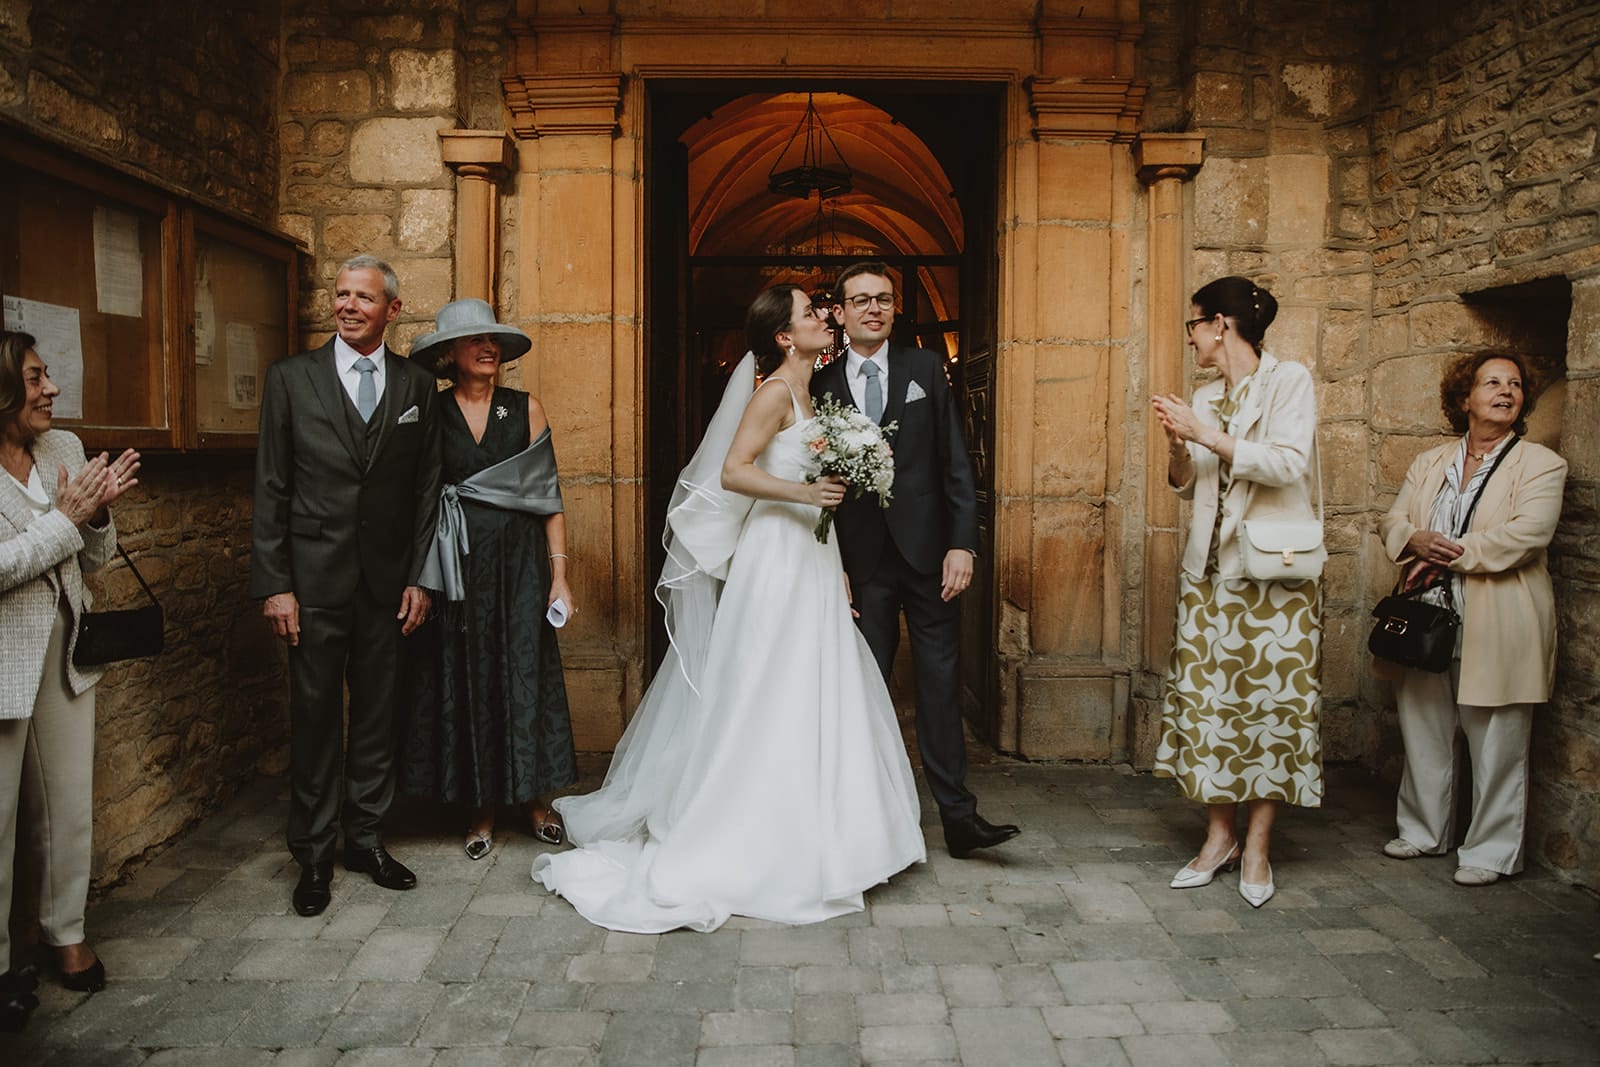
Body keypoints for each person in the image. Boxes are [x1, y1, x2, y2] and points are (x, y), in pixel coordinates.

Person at [533, 284, 925, 932]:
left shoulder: (809, 393)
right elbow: (734, 472)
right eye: (809, 313)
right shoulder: (771, 393)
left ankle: (819, 828)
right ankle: (748, 829)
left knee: (813, 685)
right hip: (775, 558)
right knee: (767, 688)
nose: (823, 317)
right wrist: (806, 491)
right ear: (782, 337)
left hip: (811, 558)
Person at [250, 255, 442, 917]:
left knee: (379, 717)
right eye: (341, 294)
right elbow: (272, 486)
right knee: (314, 716)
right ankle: (312, 853)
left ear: (392, 308)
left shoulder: (417, 386)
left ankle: (364, 837)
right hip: (313, 581)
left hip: (389, 584)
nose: (348, 305)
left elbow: (426, 491)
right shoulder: (290, 379)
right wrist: (276, 583)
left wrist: (421, 575)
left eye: (364, 296)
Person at [811, 261, 1018, 858]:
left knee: (939, 687)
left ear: (895, 308)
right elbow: (815, 482)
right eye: (860, 300)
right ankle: (865, 818)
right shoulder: (820, 388)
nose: (873, 308)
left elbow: (955, 460)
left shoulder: (927, 367)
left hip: (931, 558)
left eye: (882, 299)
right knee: (863, 692)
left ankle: (958, 817)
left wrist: (963, 542)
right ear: (842, 313)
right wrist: (833, 564)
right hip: (862, 565)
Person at [1150, 276, 1322, 908]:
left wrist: (1204, 434)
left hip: (1274, 575)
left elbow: (1285, 463)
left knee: (1273, 710)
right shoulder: (1204, 395)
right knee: (1212, 709)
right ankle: (1218, 835)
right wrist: (1178, 445)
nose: (1191, 336)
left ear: (1221, 324)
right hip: (1210, 577)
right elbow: (1185, 482)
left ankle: (1258, 847)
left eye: (1194, 324)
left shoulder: (1288, 381)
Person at [1375, 352, 1566, 887]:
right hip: (1428, 617)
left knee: (1497, 740)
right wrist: (1410, 538)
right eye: (1492, 382)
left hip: (1500, 622)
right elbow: (1394, 518)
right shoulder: (1430, 462)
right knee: (1424, 727)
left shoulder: (1542, 465)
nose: (1506, 391)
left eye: (1515, 385)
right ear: (1465, 399)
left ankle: (1490, 852)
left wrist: (1441, 551)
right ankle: (1423, 830)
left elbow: (1526, 536)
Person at [400, 299, 577, 859]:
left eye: (493, 340)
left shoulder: (525, 408)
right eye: (475, 341)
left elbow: (548, 498)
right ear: (449, 354)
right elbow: (419, 496)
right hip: (456, 568)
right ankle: (480, 807)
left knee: (524, 672)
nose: (488, 348)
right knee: (468, 675)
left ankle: (533, 802)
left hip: (522, 567)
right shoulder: (431, 410)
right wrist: (418, 576)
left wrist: (560, 577)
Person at [0, 330, 140, 1024]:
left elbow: (93, 560)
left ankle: (67, 932)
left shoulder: (64, 448)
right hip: (2, 657)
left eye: (49, 374)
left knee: (67, 807)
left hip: (64, 648)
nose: (51, 388)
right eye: (33, 378)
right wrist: (67, 517)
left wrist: (100, 513)